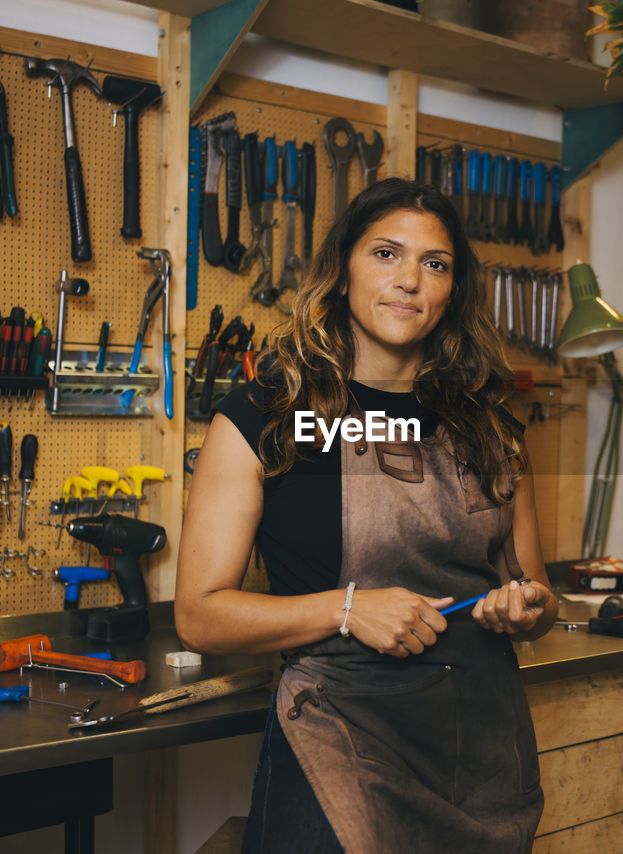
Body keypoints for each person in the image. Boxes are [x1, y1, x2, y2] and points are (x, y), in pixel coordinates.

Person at [175, 177, 558, 853]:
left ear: (452, 291)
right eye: (386, 253)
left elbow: (536, 593)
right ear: (342, 269)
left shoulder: (493, 430)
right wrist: (347, 608)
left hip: (483, 753)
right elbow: (200, 615)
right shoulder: (264, 419)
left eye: (434, 264)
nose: (409, 279)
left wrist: (525, 607)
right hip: (341, 744)